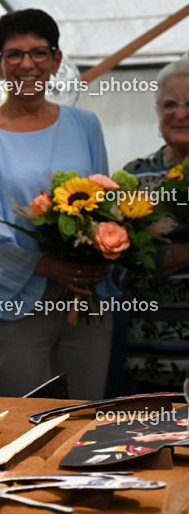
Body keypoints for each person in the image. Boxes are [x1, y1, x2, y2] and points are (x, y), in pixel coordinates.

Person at [0, 8, 112, 400]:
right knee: (23, 427)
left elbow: (104, 205)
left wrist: (98, 252)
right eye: (15, 55)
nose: (28, 64)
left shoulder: (85, 125)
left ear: (57, 60)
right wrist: (51, 266)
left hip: (84, 300)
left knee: (85, 421)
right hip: (14, 306)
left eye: (39, 53)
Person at [119, 55, 189, 392]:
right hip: (153, 358)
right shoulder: (134, 177)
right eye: (170, 104)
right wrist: (181, 255)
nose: (180, 113)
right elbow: (121, 271)